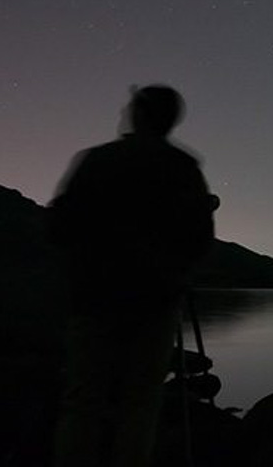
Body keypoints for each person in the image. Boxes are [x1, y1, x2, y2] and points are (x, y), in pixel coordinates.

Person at [48, 85, 217, 467]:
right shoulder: (183, 168)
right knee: (140, 404)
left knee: (83, 402)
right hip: (156, 302)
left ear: (138, 114)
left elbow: (58, 227)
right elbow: (200, 239)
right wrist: (177, 268)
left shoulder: (98, 160)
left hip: (93, 299)